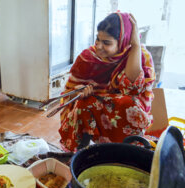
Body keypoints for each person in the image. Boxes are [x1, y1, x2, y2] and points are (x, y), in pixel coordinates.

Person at [58, 12, 155, 152]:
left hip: (121, 118)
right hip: (95, 115)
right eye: (97, 39)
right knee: (81, 104)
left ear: (124, 41)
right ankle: (79, 153)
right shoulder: (87, 58)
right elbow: (68, 95)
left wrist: (135, 45)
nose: (98, 46)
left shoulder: (140, 56)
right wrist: (78, 92)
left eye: (106, 43)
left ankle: (125, 150)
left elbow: (132, 89)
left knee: (128, 103)